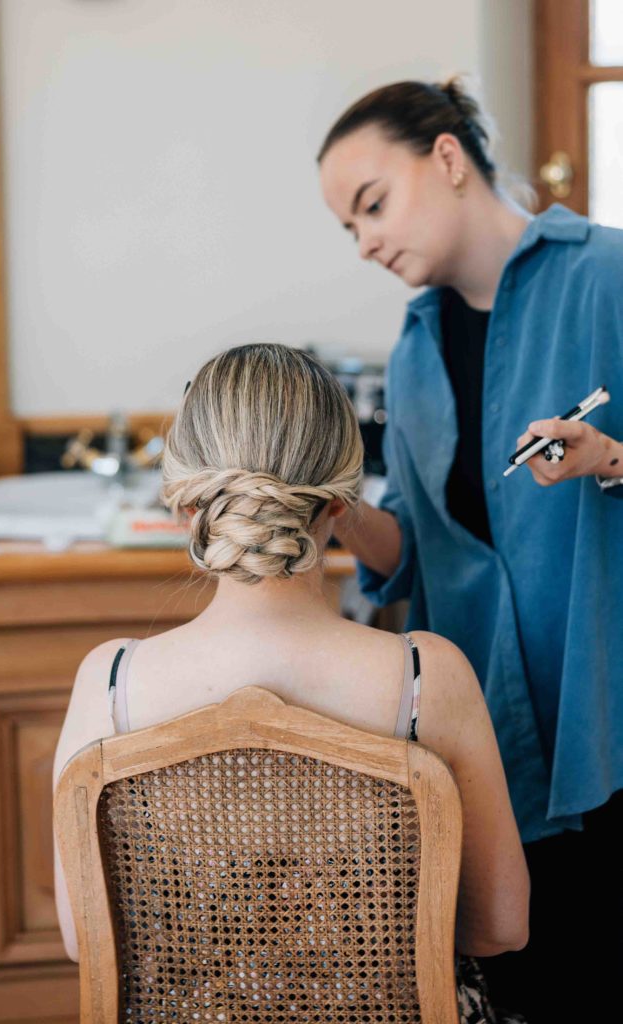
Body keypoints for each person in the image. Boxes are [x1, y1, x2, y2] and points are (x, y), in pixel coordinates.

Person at [54, 343, 529, 1022]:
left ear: (185, 503)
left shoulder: (110, 684)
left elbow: (84, 941)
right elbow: (499, 927)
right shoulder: (427, 678)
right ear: (342, 503)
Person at [318, 77, 623, 1021]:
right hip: (485, 741)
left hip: (604, 715)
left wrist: (608, 457)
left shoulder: (605, 278)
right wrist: (331, 511)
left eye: (372, 205)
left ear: (447, 158)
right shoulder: (413, 351)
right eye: (349, 229)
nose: (366, 241)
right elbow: (413, 552)